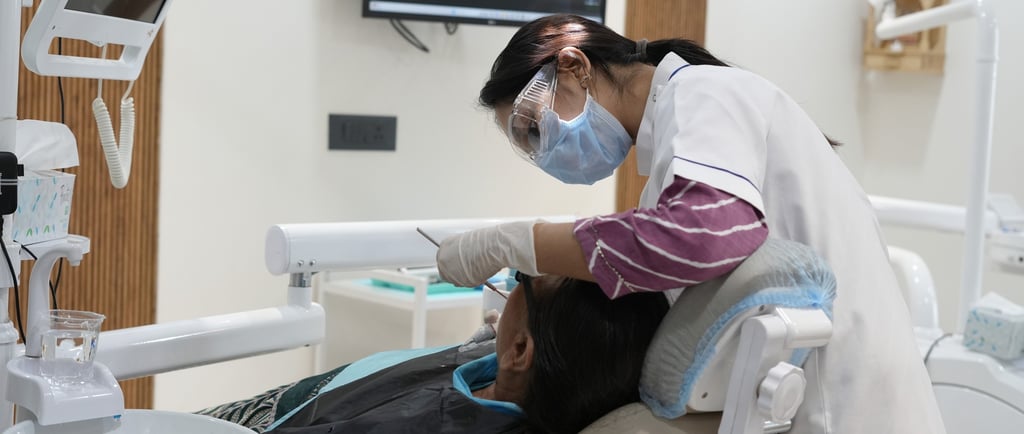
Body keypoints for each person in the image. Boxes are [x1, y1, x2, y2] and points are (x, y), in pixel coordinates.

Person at [436, 14, 946, 434]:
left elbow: (700, 236)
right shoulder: (676, 144)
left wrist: (518, 243)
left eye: (532, 127)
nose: (541, 151)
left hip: (850, 406)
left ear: (573, 66)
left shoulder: (706, 96)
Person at [200, 274, 669, 434]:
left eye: (523, 280)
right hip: (305, 399)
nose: (507, 288)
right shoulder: (507, 369)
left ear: (522, 350)